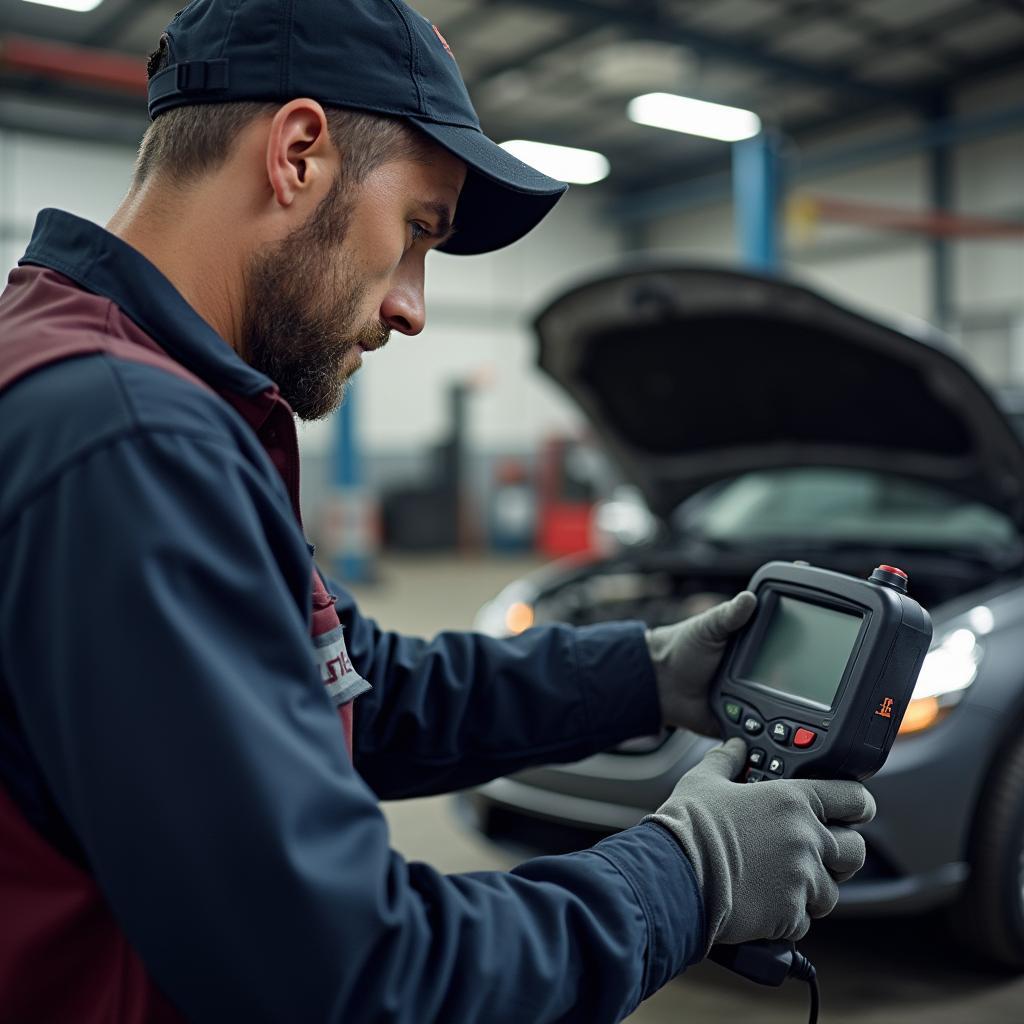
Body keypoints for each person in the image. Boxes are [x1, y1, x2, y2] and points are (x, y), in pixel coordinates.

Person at [0, 1, 875, 1021]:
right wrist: (687, 875)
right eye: (418, 229)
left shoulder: (82, 374)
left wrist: (641, 674)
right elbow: (354, 975)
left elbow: (358, 688)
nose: (412, 304)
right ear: (297, 155)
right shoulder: (135, 441)